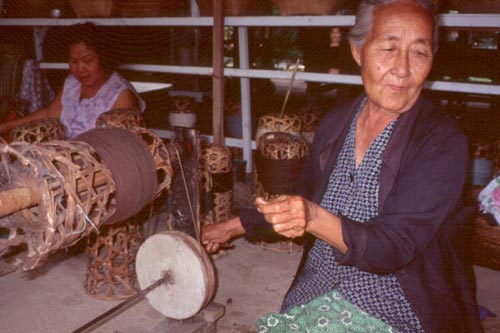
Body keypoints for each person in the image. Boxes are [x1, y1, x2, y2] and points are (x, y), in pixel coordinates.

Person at [202, 0, 482, 331]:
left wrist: (312, 217)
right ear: (357, 51)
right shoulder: (337, 122)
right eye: (389, 48)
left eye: (419, 52)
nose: (403, 68)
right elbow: (302, 195)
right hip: (318, 284)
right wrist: (232, 227)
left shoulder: (442, 141)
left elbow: (392, 248)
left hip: (396, 300)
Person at [0, 23, 145, 139]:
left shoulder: (120, 94)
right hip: (64, 156)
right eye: (73, 61)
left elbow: (121, 145)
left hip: (97, 165)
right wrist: (8, 126)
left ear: (104, 59)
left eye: (87, 61)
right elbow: (50, 113)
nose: (80, 68)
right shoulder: (72, 83)